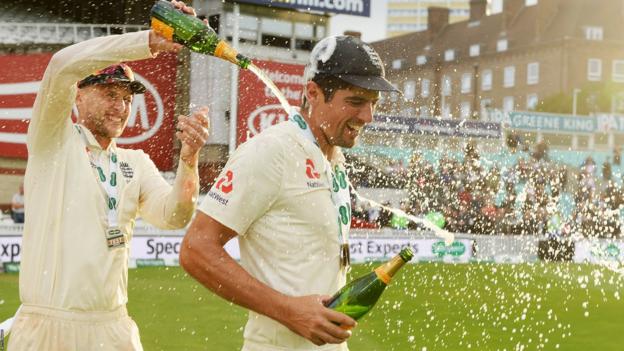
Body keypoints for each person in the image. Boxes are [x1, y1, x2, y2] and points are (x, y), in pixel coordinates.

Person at [7, 2, 209, 350]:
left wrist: (189, 161)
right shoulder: (53, 140)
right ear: (79, 95)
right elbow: (60, 66)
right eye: (109, 94)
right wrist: (150, 40)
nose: (121, 107)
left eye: (128, 99)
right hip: (48, 326)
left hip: (112, 327)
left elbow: (175, 215)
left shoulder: (136, 162)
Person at [180, 35, 400, 350]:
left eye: (373, 103)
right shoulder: (272, 151)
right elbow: (196, 248)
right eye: (355, 101)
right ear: (313, 93)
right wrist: (288, 311)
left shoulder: (332, 156)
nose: (368, 116)